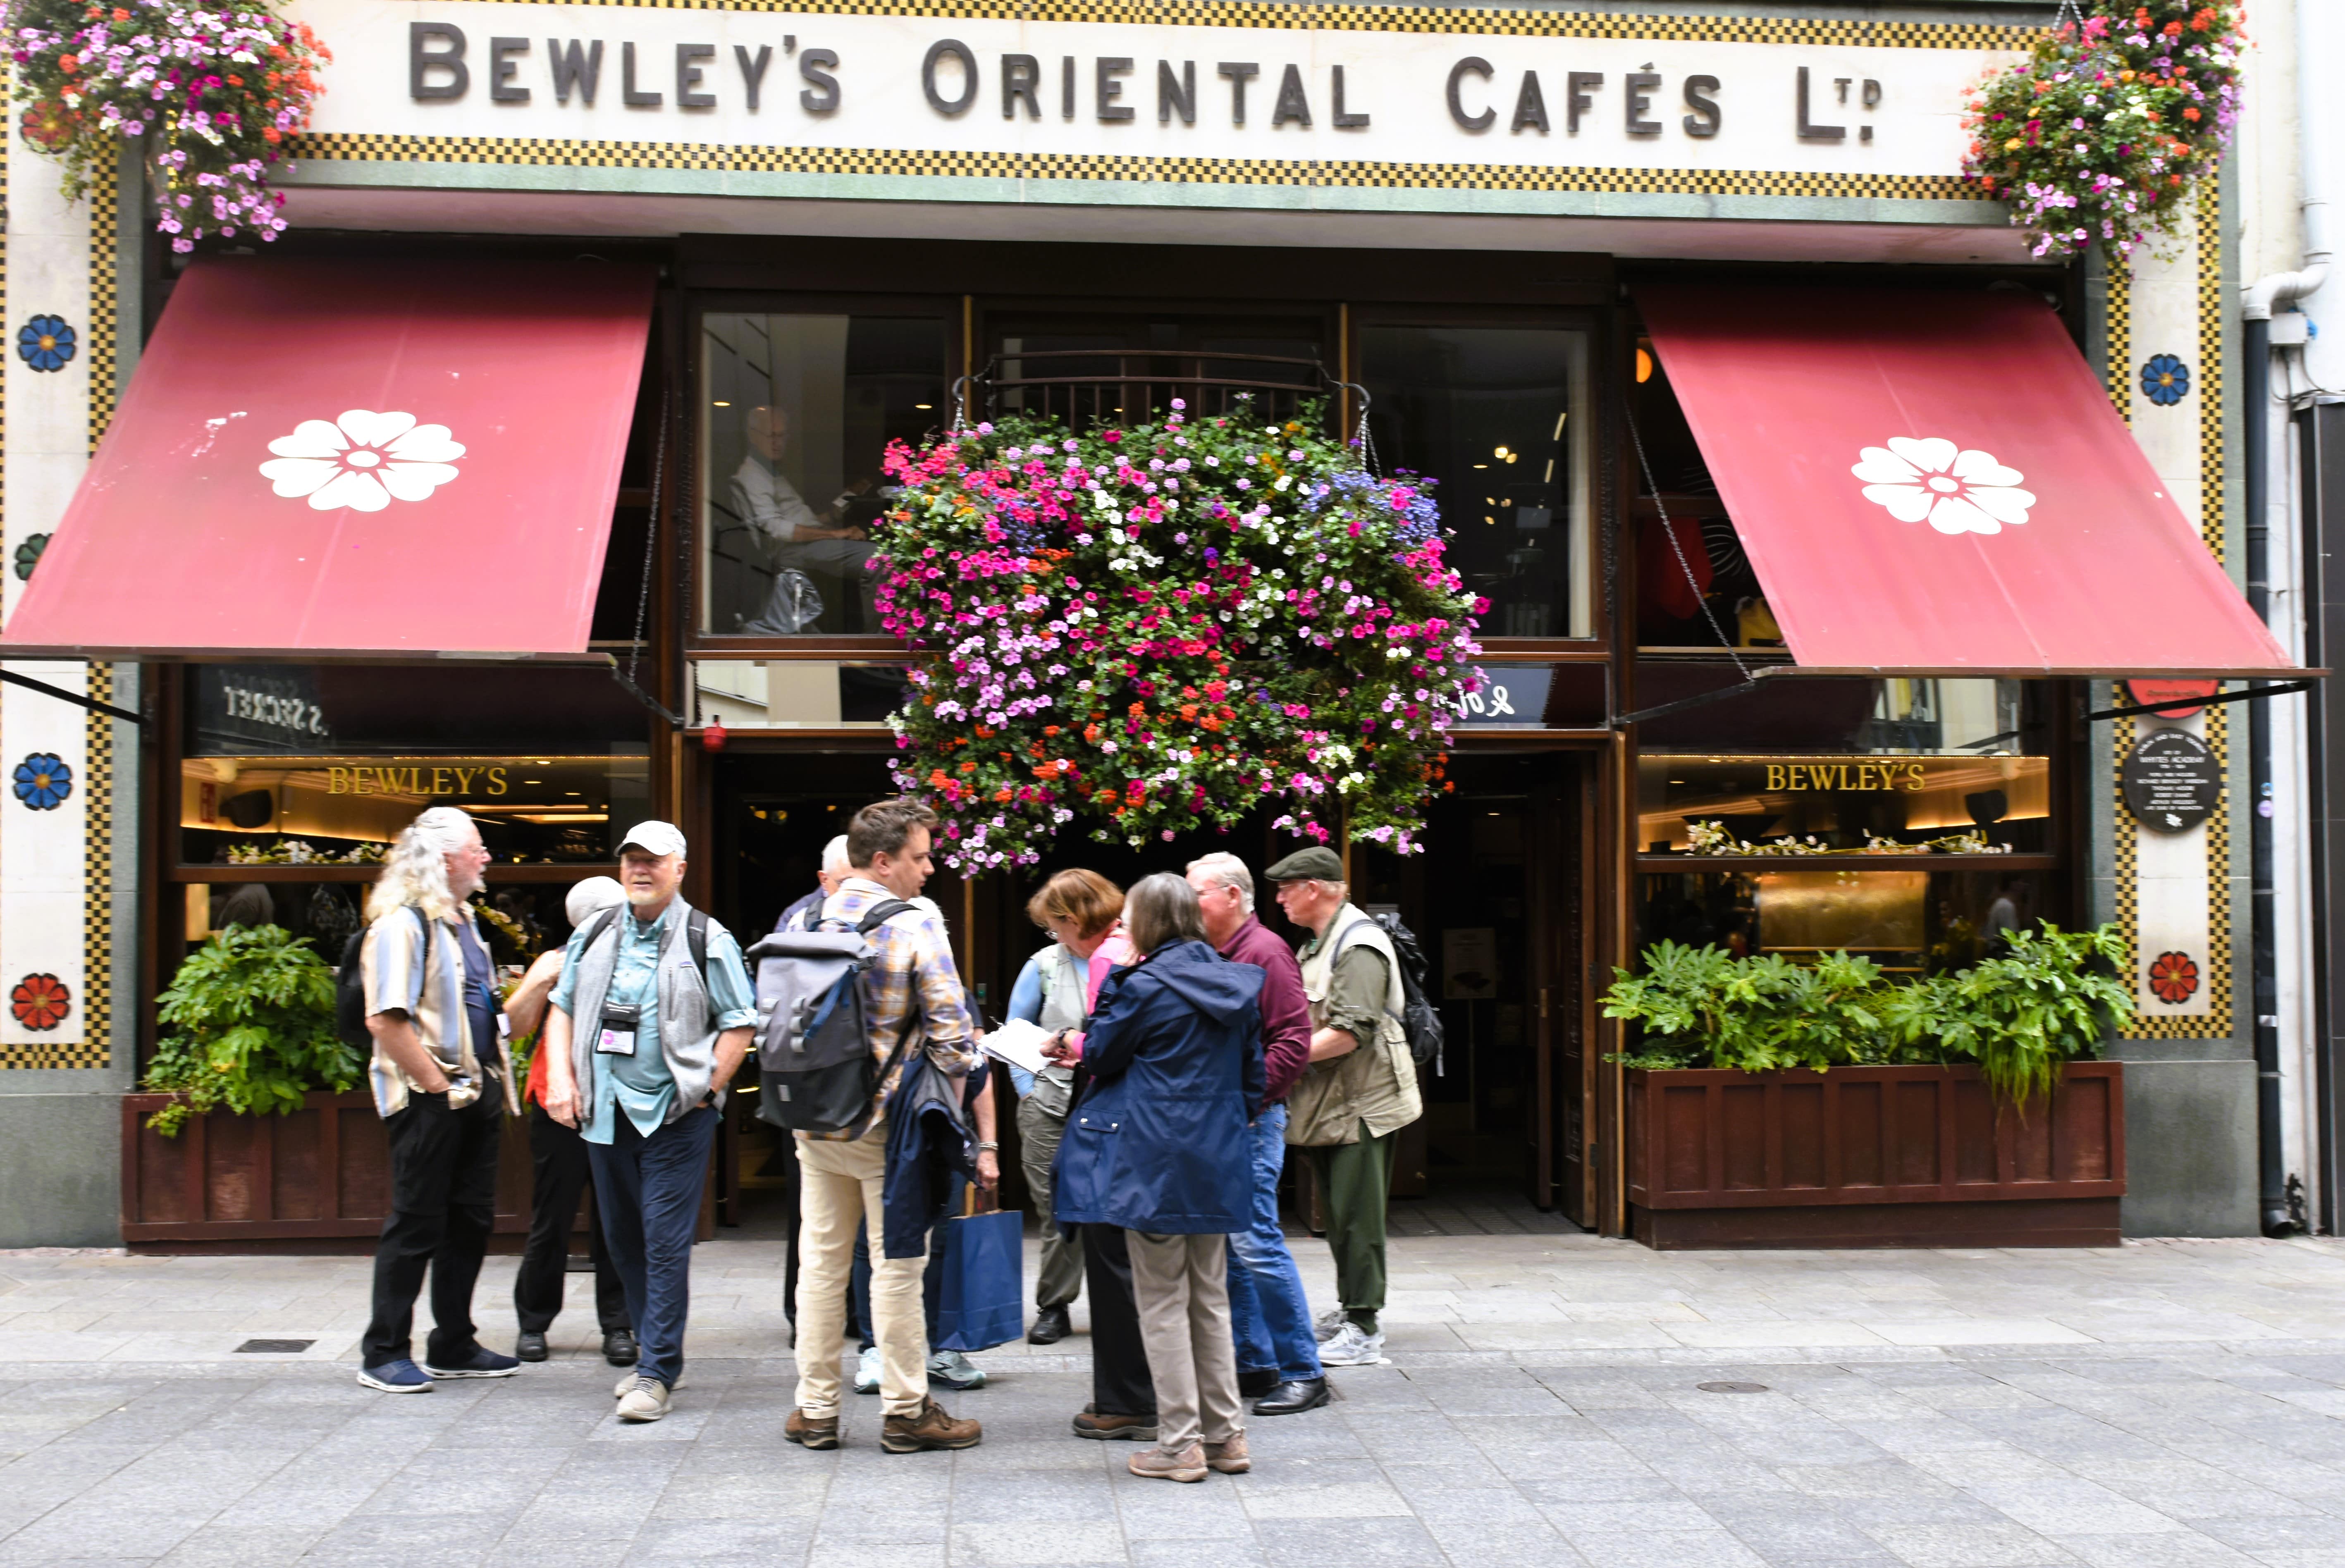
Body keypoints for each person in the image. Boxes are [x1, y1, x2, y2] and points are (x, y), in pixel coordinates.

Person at [784, 797, 987, 1455]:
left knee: (821, 1265)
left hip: (815, 1120)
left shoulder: (807, 916)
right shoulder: (912, 924)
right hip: (887, 1126)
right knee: (898, 1265)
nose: (929, 870)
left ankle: (815, 1410)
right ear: (882, 861)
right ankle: (906, 1411)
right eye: (920, 857)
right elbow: (955, 1036)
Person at [538, 822, 758, 1423]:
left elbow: (741, 1021)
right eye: (631, 859)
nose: (640, 869)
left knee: (663, 1242)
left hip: (674, 1116)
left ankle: (656, 1371)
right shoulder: (594, 931)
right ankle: (652, 1358)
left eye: (653, 861)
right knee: (624, 1242)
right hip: (604, 1112)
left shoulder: (706, 937)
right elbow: (561, 1008)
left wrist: (704, 1090)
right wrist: (561, 1079)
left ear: (679, 869)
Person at [1048, 873, 1263, 1483]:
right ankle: (1227, 1436)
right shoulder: (1237, 982)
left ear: (1146, 923)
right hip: (1216, 1156)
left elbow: (1102, 1054)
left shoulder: (1142, 985)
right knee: (1211, 1298)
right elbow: (1254, 1079)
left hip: (1152, 1158)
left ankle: (1180, 1443)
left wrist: (1075, 1032)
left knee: (1163, 1300)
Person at [353, 807, 524, 1394]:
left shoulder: (466, 922)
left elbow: (489, 1012)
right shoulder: (403, 925)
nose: (486, 858)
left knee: (469, 1222)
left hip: (473, 1092)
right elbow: (385, 1020)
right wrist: (438, 1086)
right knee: (416, 1222)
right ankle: (383, 1352)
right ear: (447, 859)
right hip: (429, 1099)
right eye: (478, 848)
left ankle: (453, 1342)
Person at [1266, 846, 1425, 1370]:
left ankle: (1363, 1326)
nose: (1279, 899)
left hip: (1362, 1104)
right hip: (1334, 1103)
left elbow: (1349, 1033)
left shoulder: (1357, 944)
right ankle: (1352, 1307)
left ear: (1313, 888)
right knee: (1339, 1215)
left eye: (1286, 889)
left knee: (1357, 1218)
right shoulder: (1320, 941)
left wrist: (1274, 1063)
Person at [1185, 852, 1326, 1416]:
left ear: (1232, 896)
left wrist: (1246, 1100)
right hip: (1231, 1118)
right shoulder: (1215, 951)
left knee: (1256, 1243)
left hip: (1250, 1119)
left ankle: (1303, 1371)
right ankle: (1254, 1361)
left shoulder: (1265, 950)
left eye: (1197, 893)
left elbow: (1293, 1041)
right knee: (1236, 1244)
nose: (1189, 904)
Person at [503, 876, 635, 1369]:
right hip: (557, 1102)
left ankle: (618, 1323)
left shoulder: (636, 958)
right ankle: (533, 1321)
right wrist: (537, 981)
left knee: (615, 1217)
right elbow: (512, 1027)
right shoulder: (556, 961)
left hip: (618, 1101)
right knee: (551, 1216)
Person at [1003, 868, 1127, 1346]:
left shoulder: (1130, 957)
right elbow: (1014, 1030)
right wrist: (1026, 1089)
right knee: (1055, 1210)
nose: (1052, 934)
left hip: (1112, 1107)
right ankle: (1054, 1305)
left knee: (1112, 1207)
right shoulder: (1043, 965)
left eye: (1055, 924)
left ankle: (1116, 1304)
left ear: (1075, 918)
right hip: (1050, 1106)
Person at [729, 404, 878, 625]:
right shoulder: (752, 477)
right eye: (772, 436)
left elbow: (804, 522)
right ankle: (879, 640)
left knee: (879, 550)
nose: (778, 443)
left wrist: (841, 506)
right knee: (881, 560)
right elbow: (775, 528)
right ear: (753, 436)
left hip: (808, 543)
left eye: (783, 436)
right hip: (792, 550)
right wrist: (837, 534)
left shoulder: (770, 471)